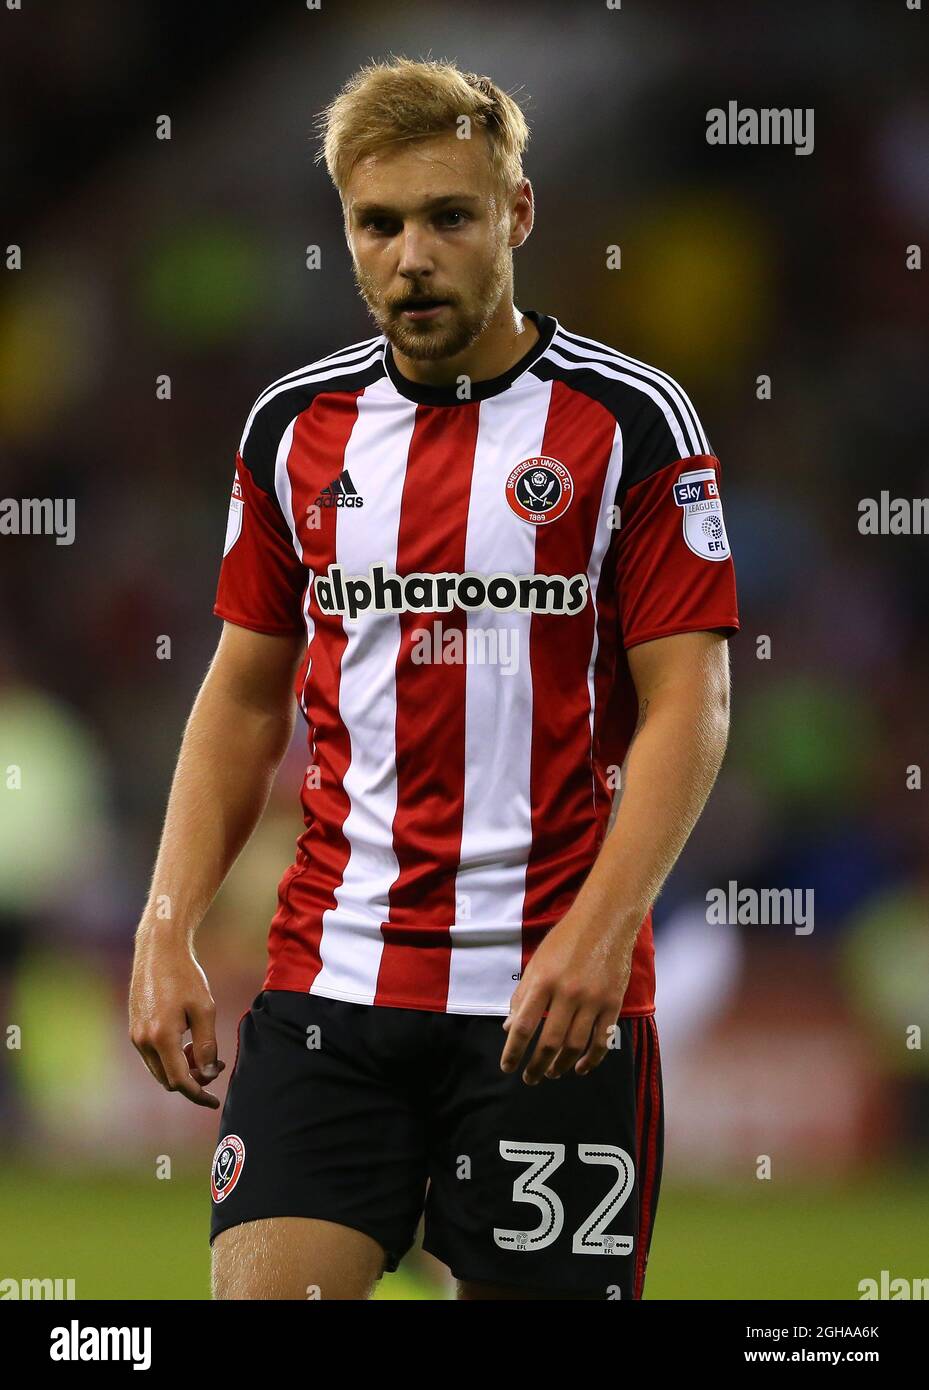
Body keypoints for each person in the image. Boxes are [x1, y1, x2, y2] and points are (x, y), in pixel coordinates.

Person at [129, 55, 740, 1301]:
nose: (412, 254)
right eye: (379, 223)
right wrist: (165, 927)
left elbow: (691, 699)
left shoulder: (629, 422)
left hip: (551, 1002)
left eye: (449, 217)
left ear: (515, 214)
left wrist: (602, 932)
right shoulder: (291, 429)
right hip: (329, 985)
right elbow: (243, 699)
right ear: (346, 232)